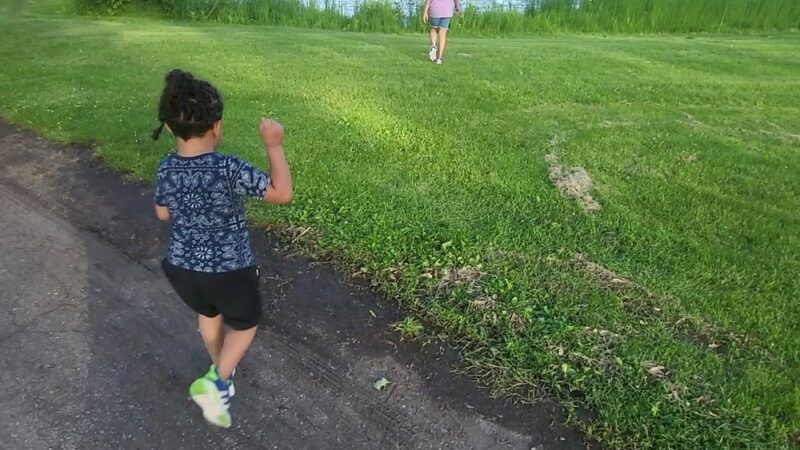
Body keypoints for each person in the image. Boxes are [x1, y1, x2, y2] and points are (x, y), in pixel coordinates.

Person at [152, 69, 293, 428]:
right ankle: (216, 382)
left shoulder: (166, 167)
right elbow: (281, 193)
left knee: (209, 314)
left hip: (183, 270)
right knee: (245, 323)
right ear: (217, 126)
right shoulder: (227, 167)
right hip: (229, 271)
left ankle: (221, 372)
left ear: (168, 127)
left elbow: (163, 213)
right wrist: (274, 145)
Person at [423, 0, 461, 64]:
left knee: (434, 29)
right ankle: (439, 59)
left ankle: (434, 45)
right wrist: (457, 7)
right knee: (443, 33)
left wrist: (425, 11)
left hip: (435, 9)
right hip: (447, 10)